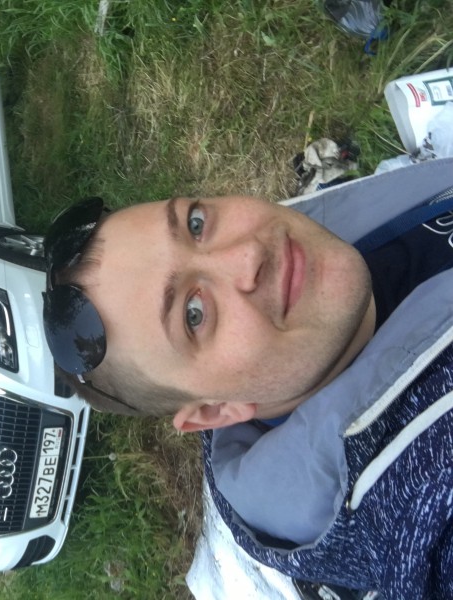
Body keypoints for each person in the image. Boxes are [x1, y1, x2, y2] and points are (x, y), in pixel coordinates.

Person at [41, 156, 453, 599]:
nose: (248, 254)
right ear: (217, 411)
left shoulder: (333, 254)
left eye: (196, 225)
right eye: (193, 314)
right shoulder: (424, 508)